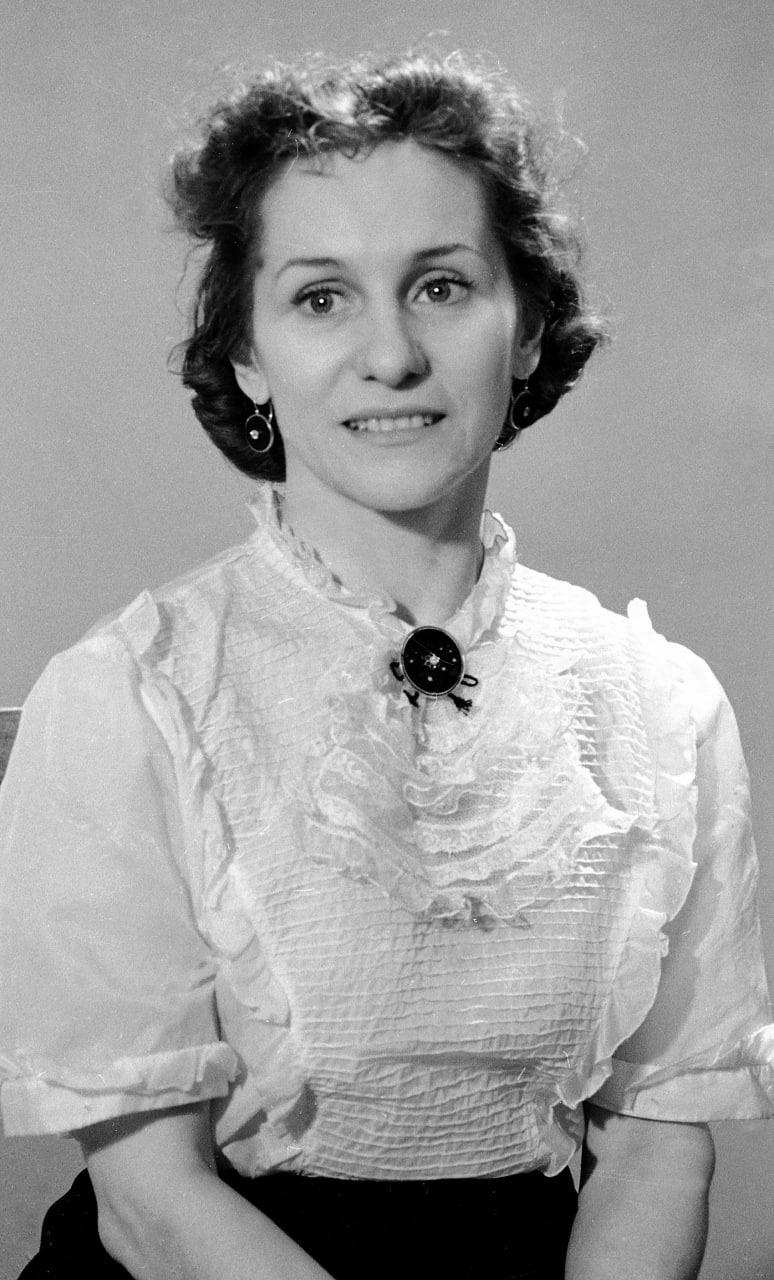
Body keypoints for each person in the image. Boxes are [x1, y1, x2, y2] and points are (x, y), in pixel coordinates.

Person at [1, 49, 772, 1280]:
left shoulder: (661, 705)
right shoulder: (128, 694)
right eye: (321, 297)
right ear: (247, 353)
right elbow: (151, 1200)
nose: (392, 354)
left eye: (442, 286)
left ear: (528, 327)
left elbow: (654, 1149)